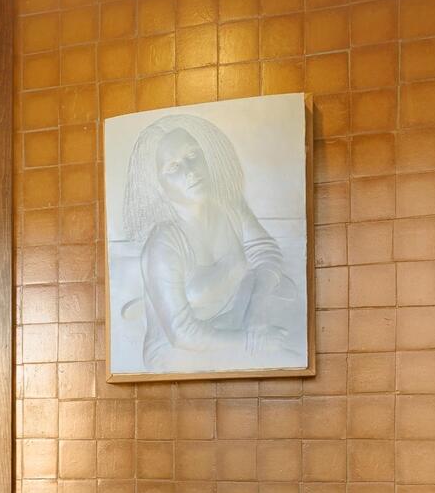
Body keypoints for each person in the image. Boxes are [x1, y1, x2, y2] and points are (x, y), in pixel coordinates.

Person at [121, 114, 305, 371]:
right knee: (287, 362)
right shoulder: (163, 244)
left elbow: (265, 253)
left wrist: (256, 315)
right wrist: (251, 341)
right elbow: (183, 334)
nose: (190, 170)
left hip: (232, 325)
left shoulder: (230, 207)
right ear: (159, 188)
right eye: (173, 167)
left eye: (193, 155)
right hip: (177, 353)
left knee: (295, 354)